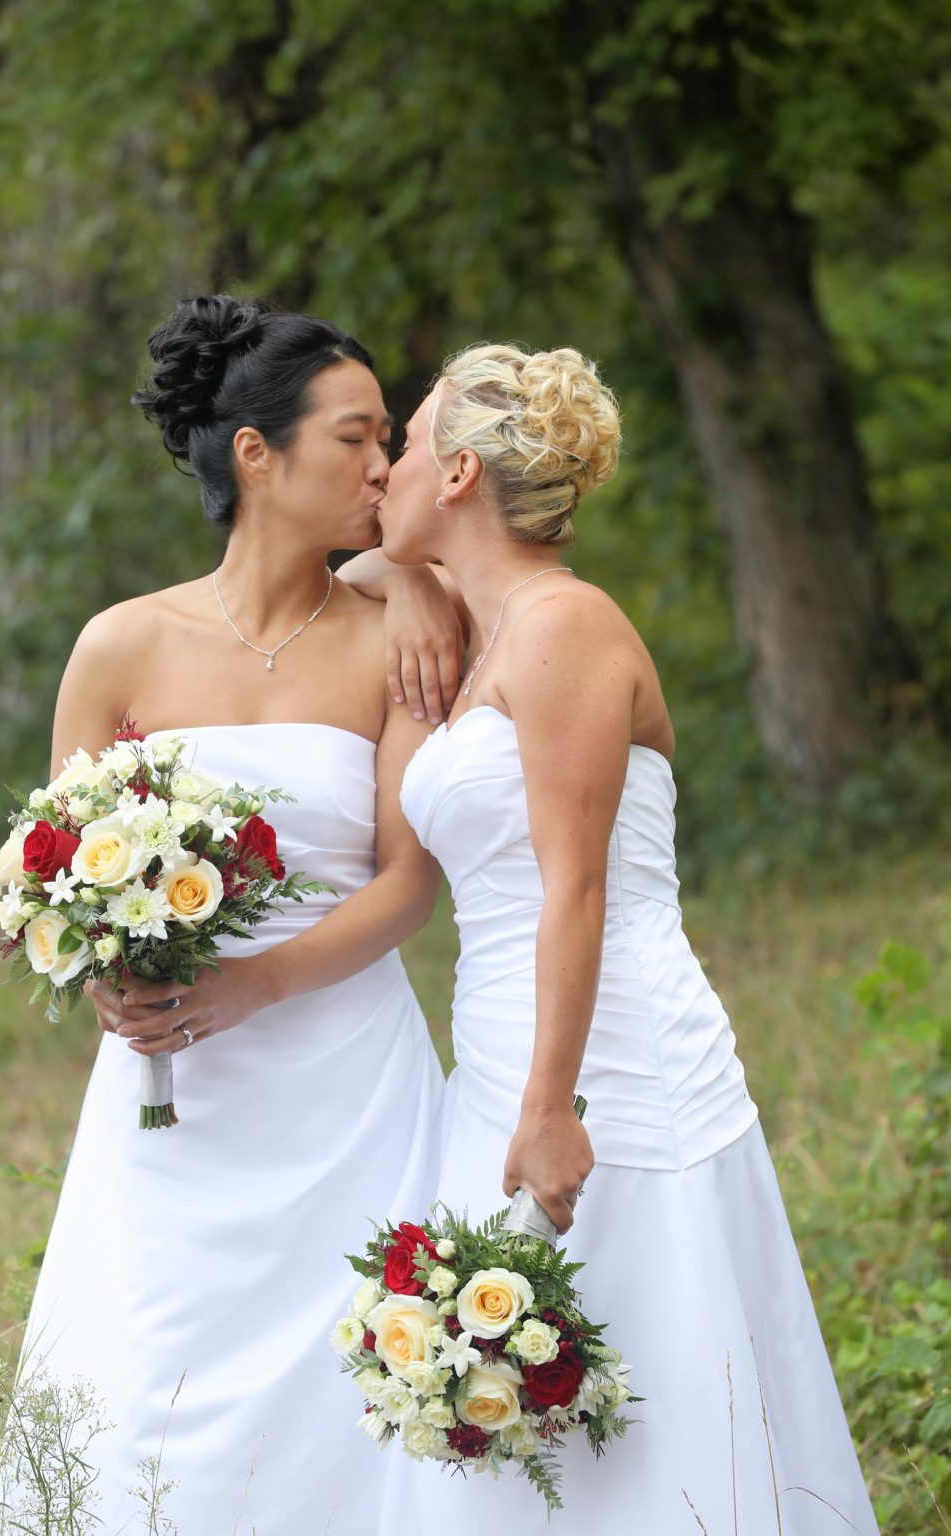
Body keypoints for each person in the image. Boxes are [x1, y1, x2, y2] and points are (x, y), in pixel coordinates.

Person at [341, 343, 880, 1532]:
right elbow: (345, 564)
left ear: (464, 471)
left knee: (654, 1367)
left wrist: (549, 1106)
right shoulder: (484, 634)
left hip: (604, 1061)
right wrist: (414, 576)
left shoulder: (565, 628)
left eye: (411, 437)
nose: (382, 470)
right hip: (492, 1052)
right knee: (509, 1393)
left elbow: (572, 887)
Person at [0, 296, 446, 1536]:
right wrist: (97, 970)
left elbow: (412, 877)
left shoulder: (399, 640)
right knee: (153, 1375)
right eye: (357, 437)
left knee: (363, 1370)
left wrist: (258, 983)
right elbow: (50, 872)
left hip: (350, 1081)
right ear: (257, 453)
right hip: (167, 1088)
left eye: (390, 438)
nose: (385, 465)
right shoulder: (120, 646)